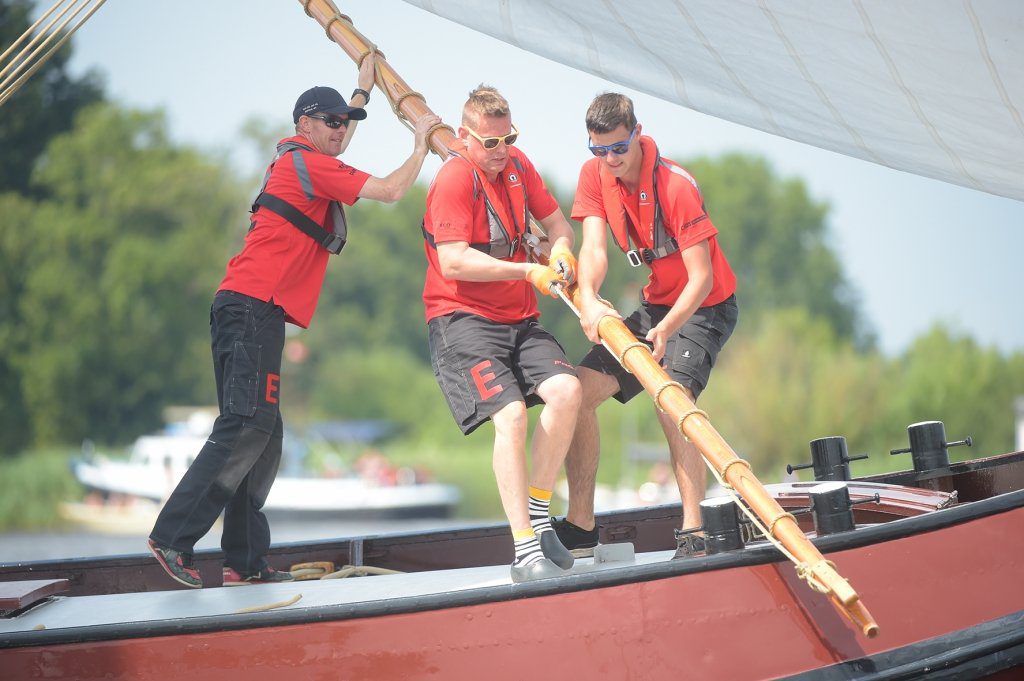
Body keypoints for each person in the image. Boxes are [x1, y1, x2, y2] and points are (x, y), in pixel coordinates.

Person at [147, 57, 442, 588]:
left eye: (340, 122)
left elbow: (342, 140)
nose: (339, 130)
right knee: (246, 426)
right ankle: (172, 537)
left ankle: (243, 562)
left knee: (265, 435)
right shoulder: (306, 160)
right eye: (329, 122)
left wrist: (361, 94)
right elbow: (393, 190)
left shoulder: (308, 158)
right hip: (250, 306)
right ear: (304, 125)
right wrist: (420, 142)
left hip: (254, 309)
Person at [555, 93, 739, 559]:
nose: (610, 159)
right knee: (578, 391)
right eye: (600, 150)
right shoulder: (594, 174)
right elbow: (593, 248)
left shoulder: (675, 186)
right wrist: (593, 299)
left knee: (671, 401)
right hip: (656, 305)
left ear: (637, 132)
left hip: (703, 307)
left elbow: (703, 278)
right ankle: (580, 526)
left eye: (619, 148)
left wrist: (667, 328)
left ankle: (695, 532)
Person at [422, 85, 582, 583]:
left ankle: (539, 512)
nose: (501, 151)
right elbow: (454, 261)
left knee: (568, 391)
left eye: (508, 139)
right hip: (461, 320)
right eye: (490, 143)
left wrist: (560, 254)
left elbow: (558, 224)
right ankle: (523, 549)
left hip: (518, 319)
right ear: (466, 137)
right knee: (511, 416)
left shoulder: (518, 166)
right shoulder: (453, 179)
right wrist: (528, 274)